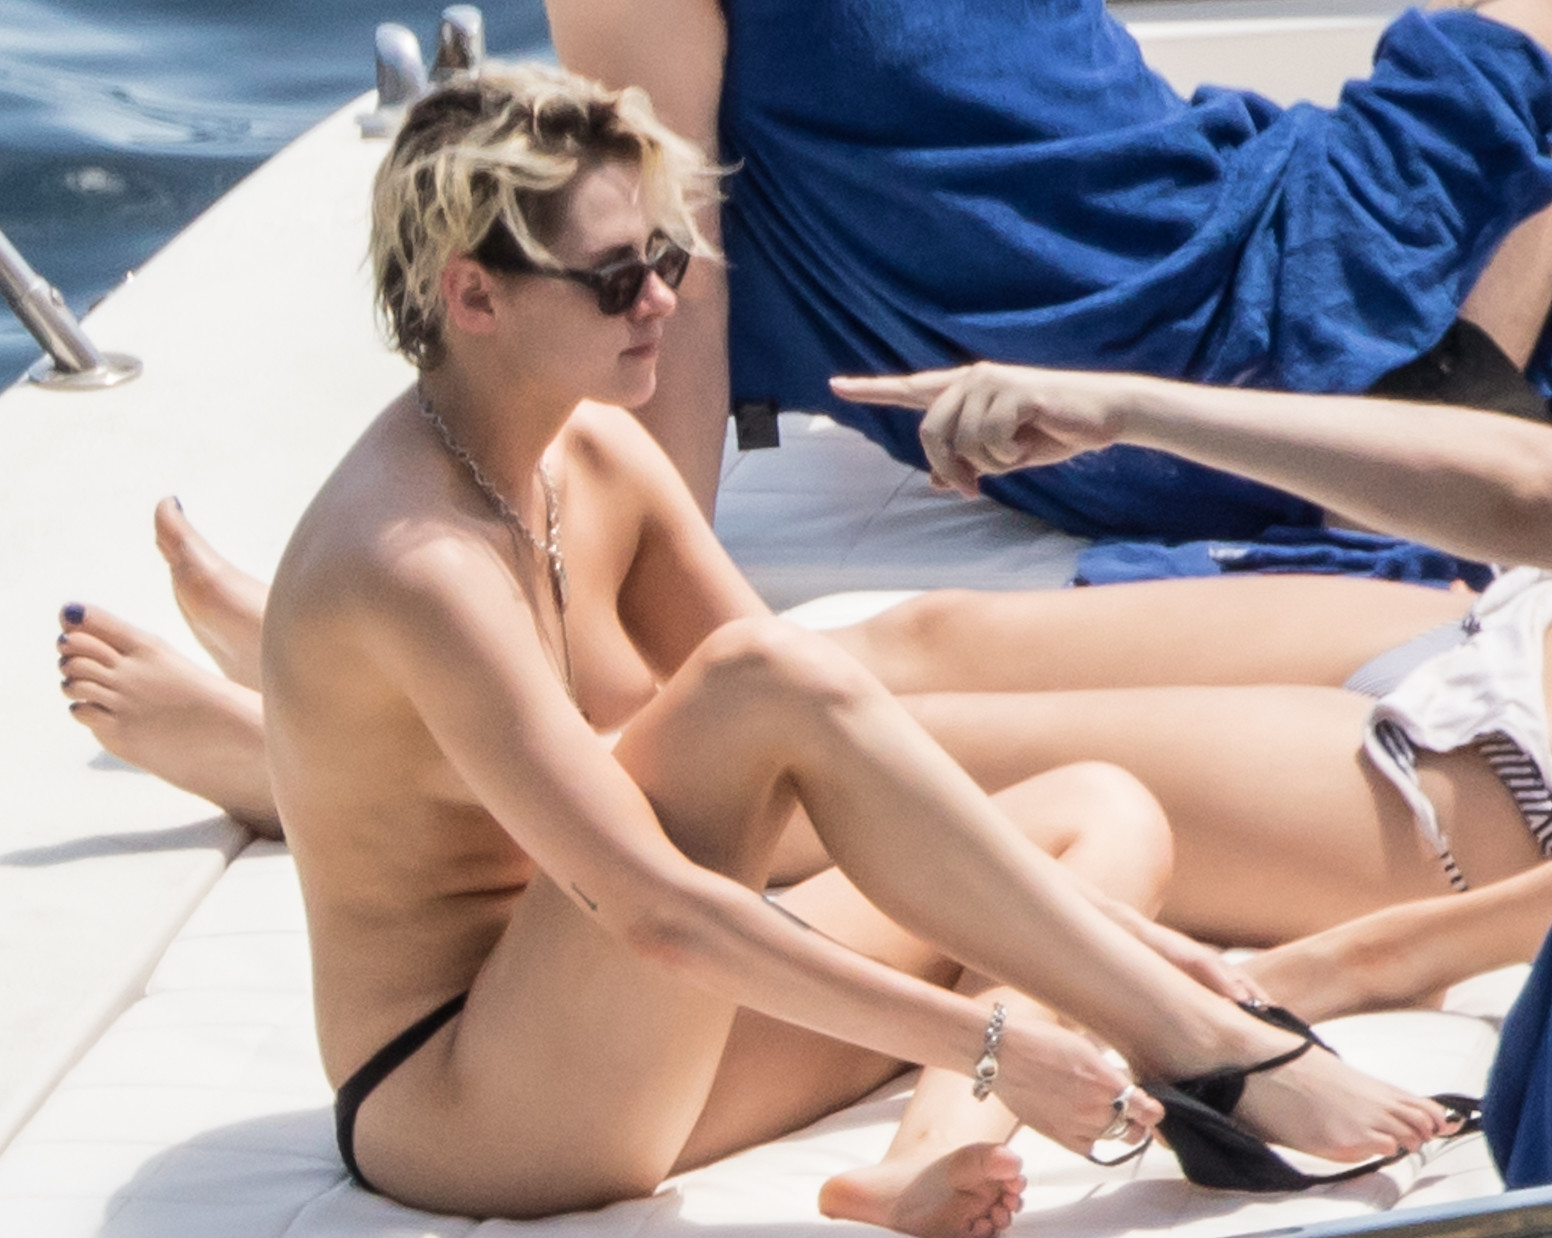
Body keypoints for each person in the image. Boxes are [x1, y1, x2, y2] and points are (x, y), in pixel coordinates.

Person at [145, 64, 1461, 1232]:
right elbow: (654, 903)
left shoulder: (590, 456)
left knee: (1096, 811)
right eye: (613, 278)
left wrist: (1109, 949)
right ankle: (1203, 1049)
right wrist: (998, 1035)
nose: (661, 299)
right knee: (759, 684)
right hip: (474, 1096)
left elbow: (831, 741)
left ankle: (929, 1151)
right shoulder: (414, 560)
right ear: (472, 294)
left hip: (640, 1024)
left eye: (666, 255)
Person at [831, 101, 1552, 1186]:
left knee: (911, 762)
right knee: (925, 637)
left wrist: (1355, 962)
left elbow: (1530, 495)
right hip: (1513, 623)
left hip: (1490, 776)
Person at [545, 0, 1552, 539]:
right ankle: (1447, 403)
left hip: (1199, 308)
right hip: (1237, 340)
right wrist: (643, 587)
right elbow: (680, 264)